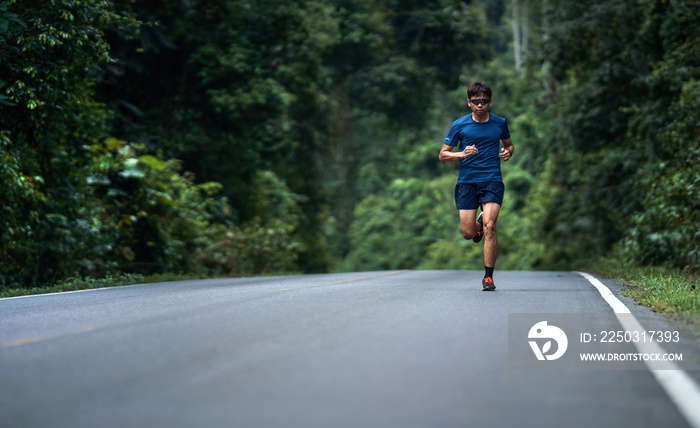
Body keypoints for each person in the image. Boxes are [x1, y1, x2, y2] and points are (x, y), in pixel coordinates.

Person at [438, 81, 514, 291]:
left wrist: (508, 152)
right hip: (467, 182)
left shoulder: (499, 123)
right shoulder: (460, 125)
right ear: (469, 103)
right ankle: (477, 225)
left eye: (484, 101)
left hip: (492, 180)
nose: (480, 105)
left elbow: (509, 145)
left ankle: (488, 278)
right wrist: (461, 153)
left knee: (491, 227)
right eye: (475, 101)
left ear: (490, 102)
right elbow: (443, 154)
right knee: (467, 233)